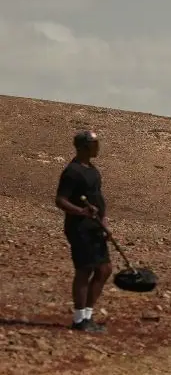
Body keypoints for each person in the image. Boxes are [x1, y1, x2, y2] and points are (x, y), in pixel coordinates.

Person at [54, 130, 112, 333]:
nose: (98, 147)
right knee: (85, 270)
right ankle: (79, 320)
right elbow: (60, 200)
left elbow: (98, 197)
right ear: (85, 147)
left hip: (95, 227)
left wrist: (104, 221)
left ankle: (87, 315)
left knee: (104, 270)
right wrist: (82, 211)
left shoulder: (93, 170)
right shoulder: (73, 172)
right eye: (94, 144)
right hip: (79, 228)